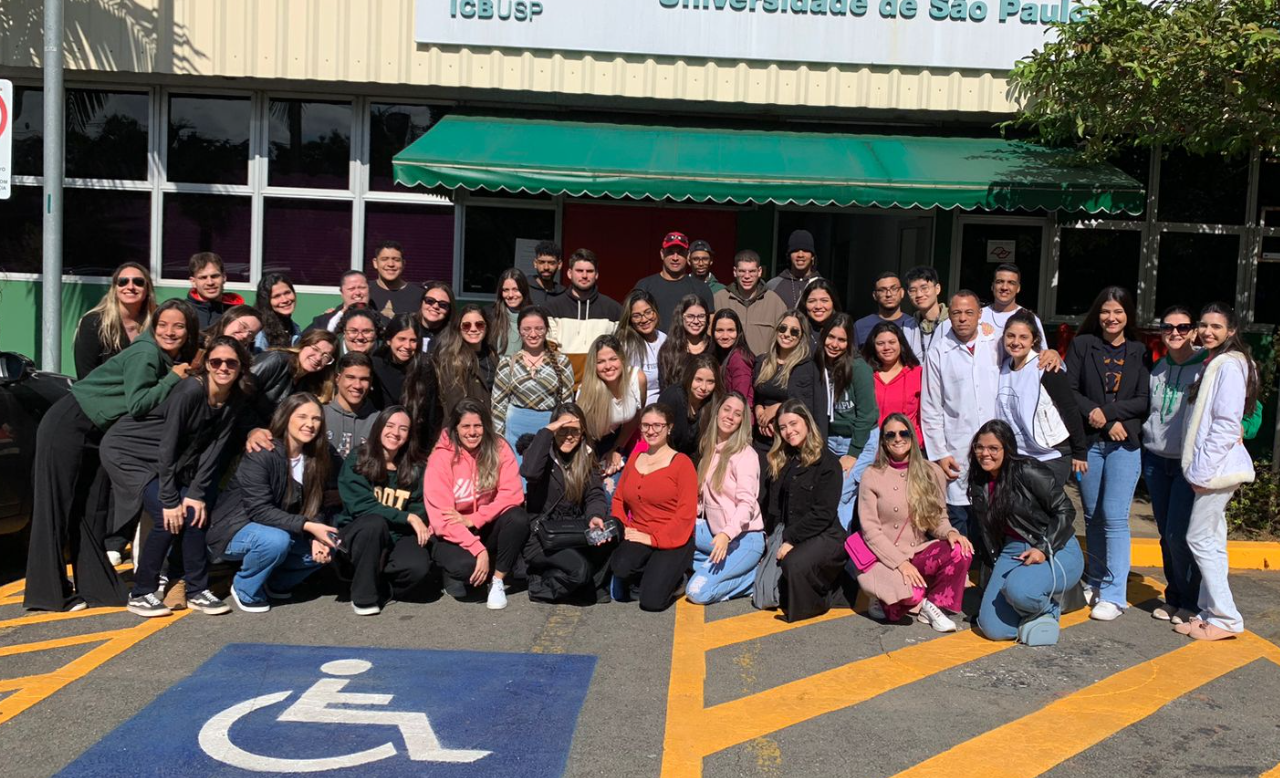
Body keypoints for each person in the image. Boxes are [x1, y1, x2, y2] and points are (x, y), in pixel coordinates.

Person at [23, 299, 198, 612]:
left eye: (178, 326)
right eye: (162, 324)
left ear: (189, 332)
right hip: (69, 423)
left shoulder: (167, 357)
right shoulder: (147, 353)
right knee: (56, 506)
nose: (169, 332)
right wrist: (173, 377)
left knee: (92, 511)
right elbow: (138, 405)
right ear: (153, 326)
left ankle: (97, 589)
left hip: (97, 432)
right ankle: (48, 594)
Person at [102, 336, 253, 618]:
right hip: (130, 452)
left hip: (164, 458)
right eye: (216, 362)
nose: (223, 368)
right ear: (207, 365)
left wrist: (196, 494)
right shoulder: (190, 391)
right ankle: (142, 593)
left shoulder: (235, 398)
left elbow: (214, 448)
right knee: (167, 516)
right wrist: (171, 499)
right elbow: (168, 445)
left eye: (231, 363)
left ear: (241, 367)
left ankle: (197, 590)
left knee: (194, 513)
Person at [206, 393, 339, 612]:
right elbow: (259, 510)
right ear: (286, 417)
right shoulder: (263, 452)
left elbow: (315, 503)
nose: (310, 424)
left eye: (316, 419)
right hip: (235, 529)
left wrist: (317, 534)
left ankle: (275, 582)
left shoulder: (316, 458)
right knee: (275, 541)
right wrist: (308, 526)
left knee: (329, 544)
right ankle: (245, 588)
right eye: (302, 416)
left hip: (279, 528)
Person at [1065, 286, 1149, 622]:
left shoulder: (1139, 351)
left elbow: (1143, 400)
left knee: (1114, 516)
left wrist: (1110, 416)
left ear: (1128, 315)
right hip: (1088, 444)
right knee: (1092, 516)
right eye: (1105, 311)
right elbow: (1069, 390)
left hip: (1124, 444)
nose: (1111, 318)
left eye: (1118, 312)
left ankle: (1115, 594)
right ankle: (1096, 580)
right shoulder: (1083, 345)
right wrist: (1095, 414)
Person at [1176, 303, 1260, 641]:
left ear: (1232, 331)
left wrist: (1202, 472)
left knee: (1198, 538)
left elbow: (1227, 423)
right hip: (1213, 467)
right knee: (1213, 539)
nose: (1208, 331)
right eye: (1204, 325)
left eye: (1217, 327)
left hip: (1216, 469)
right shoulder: (1215, 361)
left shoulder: (1229, 365)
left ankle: (1226, 618)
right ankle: (1209, 612)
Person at [969, 420, 1083, 646]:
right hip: (1013, 550)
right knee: (994, 629)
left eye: (993, 448)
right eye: (979, 447)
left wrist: (1042, 548)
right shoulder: (979, 480)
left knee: (1019, 591)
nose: (985, 453)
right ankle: (1031, 610)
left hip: (1055, 546)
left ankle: (1048, 608)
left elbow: (1066, 510)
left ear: (1007, 449)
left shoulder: (1027, 469)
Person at [855, 414, 972, 631]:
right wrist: (900, 563)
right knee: (910, 597)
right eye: (890, 435)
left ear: (912, 436)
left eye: (903, 433)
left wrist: (950, 533)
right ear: (883, 442)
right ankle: (884, 594)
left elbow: (938, 519)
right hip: (884, 558)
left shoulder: (931, 472)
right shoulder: (872, 475)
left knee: (960, 549)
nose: (898, 439)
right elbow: (870, 531)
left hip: (917, 552)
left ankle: (933, 605)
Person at [424, 399, 530, 610]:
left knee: (518, 517)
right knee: (467, 568)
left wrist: (475, 518)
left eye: (478, 426)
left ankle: (497, 581)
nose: (472, 432)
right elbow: (442, 519)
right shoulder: (441, 458)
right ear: (455, 428)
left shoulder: (499, 447)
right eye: (465, 426)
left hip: (483, 523)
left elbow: (512, 495)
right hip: (451, 532)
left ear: (486, 426)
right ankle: (454, 572)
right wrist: (478, 550)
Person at [1141, 306, 1209, 624]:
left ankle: (1191, 602)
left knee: (1178, 534)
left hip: (1187, 463)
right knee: (1165, 534)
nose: (1175, 333)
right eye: (1168, 327)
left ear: (1194, 331)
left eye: (1183, 327)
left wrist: (1240, 428)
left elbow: (1246, 407)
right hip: (1156, 460)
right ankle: (1174, 597)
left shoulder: (1206, 367)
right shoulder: (1157, 368)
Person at [334, 406, 434, 616]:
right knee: (374, 523)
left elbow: (419, 509)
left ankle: (381, 585)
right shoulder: (358, 458)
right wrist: (407, 517)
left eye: (403, 429)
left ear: (409, 435)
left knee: (417, 568)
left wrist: (407, 523)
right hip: (359, 534)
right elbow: (361, 506)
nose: (395, 433)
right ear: (378, 428)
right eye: (389, 426)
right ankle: (363, 597)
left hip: (396, 534)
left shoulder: (416, 468)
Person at [754, 399, 847, 622]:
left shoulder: (828, 463)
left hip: (824, 534)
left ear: (807, 422)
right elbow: (774, 506)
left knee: (793, 564)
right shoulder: (783, 458)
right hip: (791, 531)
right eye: (783, 427)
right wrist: (771, 541)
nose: (789, 431)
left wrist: (791, 540)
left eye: (793, 423)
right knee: (764, 593)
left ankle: (820, 601)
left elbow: (823, 514)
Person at [921, 291, 999, 539]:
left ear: (980, 315)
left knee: (993, 515)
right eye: (956, 313)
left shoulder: (996, 344)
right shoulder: (938, 352)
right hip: (956, 448)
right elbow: (931, 407)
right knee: (959, 516)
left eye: (968, 312)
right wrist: (940, 453)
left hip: (995, 448)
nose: (962, 318)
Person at [521, 404, 616, 604]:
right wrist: (548, 431)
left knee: (615, 530)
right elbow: (529, 472)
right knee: (579, 571)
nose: (569, 436)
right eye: (563, 429)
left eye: (575, 431)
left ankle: (590, 585)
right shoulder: (540, 453)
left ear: (582, 434)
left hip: (573, 531)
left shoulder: (586, 456)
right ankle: (540, 585)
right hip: (543, 537)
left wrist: (595, 516)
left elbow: (595, 494)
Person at [609, 404, 698, 612]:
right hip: (639, 532)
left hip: (673, 538)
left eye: (658, 425)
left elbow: (686, 515)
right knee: (620, 566)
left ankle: (678, 579)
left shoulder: (682, 463)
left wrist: (653, 539)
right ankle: (651, 574)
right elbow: (619, 499)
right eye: (646, 425)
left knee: (651, 602)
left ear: (669, 428)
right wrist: (624, 527)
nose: (651, 431)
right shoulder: (636, 457)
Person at [995, 309, 1088, 489]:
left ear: (1034, 340)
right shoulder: (1003, 368)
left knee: (1041, 504)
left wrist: (1080, 452)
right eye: (1010, 336)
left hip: (1052, 454)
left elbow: (1070, 409)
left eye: (1023, 337)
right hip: (1019, 455)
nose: (1016, 342)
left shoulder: (1046, 368)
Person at [687, 393, 765, 604]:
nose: (730, 416)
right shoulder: (710, 448)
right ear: (717, 412)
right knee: (676, 538)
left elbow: (747, 504)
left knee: (696, 592)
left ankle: (755, 576)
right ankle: (724, 568)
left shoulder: (745, 455)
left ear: (742, 422)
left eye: (737, 414)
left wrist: (726, 534)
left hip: (744, 538)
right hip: (715, 534)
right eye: (727, 409)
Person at [404, 304, 496, 450]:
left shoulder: (492, 355)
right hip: (465, 434)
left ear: (486, 326)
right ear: (459, 329)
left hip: (489, 431)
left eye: (479, 324)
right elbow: (455, 405)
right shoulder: (452, 360)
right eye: (466, 325)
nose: (473, 329)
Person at [819, 313, 879, 530]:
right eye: (831, 337)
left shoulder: (859, 368)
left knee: (840, 492)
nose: (835, 344)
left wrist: (853, 454)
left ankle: (835, 542)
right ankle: (839, 542)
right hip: (830, 439)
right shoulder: (819, 364)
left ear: (849, 342)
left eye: (841, 340)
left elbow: (867, 415)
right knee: (833, 494)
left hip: (859, 439)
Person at [491, 306, 575, 458]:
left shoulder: (562, 362)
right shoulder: (507, 363)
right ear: (519, 330)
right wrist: (498, 438)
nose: (533, 334)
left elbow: (567, 404)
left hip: (549, 430)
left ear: (547, 330)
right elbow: (498, 405)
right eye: (527, 329)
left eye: (539, 328)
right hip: (514, 432)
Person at [752, 311, 827, 453]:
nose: (786, 334)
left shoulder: (807, 368)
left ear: (801, 337)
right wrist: (759, 410)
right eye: (783, 328)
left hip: (791, 445)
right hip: (762, 441)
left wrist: (778, 408)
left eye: (794, 331)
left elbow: (811, 407)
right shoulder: (762, 362)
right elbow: (757, 396)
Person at [576, 334, 646, 482]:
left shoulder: (636, 379)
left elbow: (636, 417)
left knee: (618, 487)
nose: (608, 366)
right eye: (601, 362)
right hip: (587, 444)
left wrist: (617, 448)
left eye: (613, 359)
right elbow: (580, 432)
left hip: (618, 438)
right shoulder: (587, 391)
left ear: (622, 359)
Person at [244, 329, 338, 436]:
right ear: (303, 345)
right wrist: (253, 430)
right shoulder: (277, 360)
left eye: (326, 356)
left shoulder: (309, 382)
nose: (318, 358)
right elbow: (238, 394)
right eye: (315, 349)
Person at [73, 261, 157, 379]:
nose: (130, 287)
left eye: (138, 282)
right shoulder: (94, 323)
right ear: (115, 289)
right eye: (123, 282)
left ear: (147, 289)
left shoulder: (157, 321)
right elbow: (85, 375)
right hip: (102, 389)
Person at [634, 231, 715, 331]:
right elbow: (632, 320)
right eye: (670, 252)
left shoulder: (701, 288)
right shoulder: (644, 286)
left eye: (680, 253)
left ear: (688, 255)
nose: (675, 258)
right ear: (662, 254)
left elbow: (710, 326)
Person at [714, 249, 789, 357]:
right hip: (727, 365)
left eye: (752, 271)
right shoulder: (719, 299)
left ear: (759, 271)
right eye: (742, 271)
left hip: (764, 366)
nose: (747, 276)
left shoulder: (775, 302)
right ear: (735, 272)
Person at [863, 321, 924, 444]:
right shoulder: (865, 374)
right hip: (872, 447)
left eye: (892, 342)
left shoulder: (918, 374)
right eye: (880, 343)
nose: (886, 347)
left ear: (900, 344)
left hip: (908, 446)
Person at [657, 352, 722, 460]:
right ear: (689, 376)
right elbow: (657, 435)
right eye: (698, 380)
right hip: (665, 457)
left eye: (710, 382)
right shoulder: (672, 397)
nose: (703, 387)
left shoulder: (715, 401)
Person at [616, 290, 667, 405]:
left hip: (665, 405)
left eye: (648, 312)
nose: (644, 320)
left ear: (655, 311)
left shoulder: (665, 339)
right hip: (638, 408)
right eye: (636, 316)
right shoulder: (626, 345)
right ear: (629, 319)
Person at [544, 248, 623, 322]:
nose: (584, 276)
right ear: (569, 273)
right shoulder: (552, 309)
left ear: (596, 274)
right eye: (579, 271)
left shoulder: (614, 310)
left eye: (589, 271)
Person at [323, 352, 377, 461]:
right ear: (337, 378)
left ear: (371, 381)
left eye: (364, 379)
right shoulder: (319, 415)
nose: (357, 385)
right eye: (350, 377)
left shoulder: (378, 421)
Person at [854, 271, 920, 352]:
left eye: (894, 289)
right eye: (882, 290)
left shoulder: (913, 326)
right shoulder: (860, 326)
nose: (888, 294)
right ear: (875, 295)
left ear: (902, 292)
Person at [982, 263, 1047, 343]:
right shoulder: (978, 315)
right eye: (1000, 282)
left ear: (1018, 288)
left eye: (1011, 283)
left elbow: (1041, 350)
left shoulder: (1030, 318)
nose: (1004, 287)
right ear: (992, 286)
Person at [657, 295, 711, 389]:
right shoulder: (669, 350)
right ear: (681, 317)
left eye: (701, 316)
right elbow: (665, 387)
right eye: (690, 316)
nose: (696, 321)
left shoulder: (714, 346)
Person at [369, 314, 420, 410]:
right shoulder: (375, 366)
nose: (407, 346)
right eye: (402, 339)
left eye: (413, 340)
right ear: (389, 340)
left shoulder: (424, 370)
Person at [305, 270, 381, 334]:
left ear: (369, 289)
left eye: (362, 287)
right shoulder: (323, 322)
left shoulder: (381, 318)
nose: (357, 292)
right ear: (342, 292)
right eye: (351, 289)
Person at [710, 309, 755, 412]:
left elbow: (739, 398)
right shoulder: (718, 354)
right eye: (720, 330)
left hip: (736, 416)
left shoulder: (739, 358)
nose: (725, 336)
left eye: (730, 330)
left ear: (738, 332)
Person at [767, 229, 823, 310]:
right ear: (789, 256)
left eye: (805, 250)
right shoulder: (773, 285)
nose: (800, 255)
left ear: (812, 256)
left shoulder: (823, 284)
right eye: (795, 251)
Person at [186, 252, 244, 328]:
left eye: (215, 276)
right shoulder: (183, 312)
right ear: (193, 281)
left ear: (224, 277)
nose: (210, 282)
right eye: (203, 277)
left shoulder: (238, 313)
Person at [368, 240, 424, 318]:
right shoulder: (364, 291)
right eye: (384, 259)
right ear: (375, 263)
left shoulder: (419, 296)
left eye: (396, 260)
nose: (391, 264)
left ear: (403, 263)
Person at [905, 265, 948, 360]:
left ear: (937, 289)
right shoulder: (906, 328)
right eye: (913, 290)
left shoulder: (953, 323)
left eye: (924, 288)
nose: (919, 294)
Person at [489, 267, 533, 358]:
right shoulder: (491, 316)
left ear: (524, 290)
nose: (510, 295)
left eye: (515, 289)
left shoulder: (535, 318)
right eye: (506, 290)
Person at [253, 272, 301, 352]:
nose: (285, 300)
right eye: (277, 296)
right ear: (266, 301)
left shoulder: (294, 328)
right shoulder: (259, 330)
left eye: (287, 293)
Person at [799, 279, 841, 350]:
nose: (818, 306)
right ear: (804, 304)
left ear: (833, 302)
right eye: (812, 301)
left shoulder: (843, 330)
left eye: (824, 300)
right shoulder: (797, 330)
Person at [415, 281, 455, 352]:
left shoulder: (455, 338)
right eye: (430, 301)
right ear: (422, 302)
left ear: (449, 309)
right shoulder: (406, 326)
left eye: (443, 304)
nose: (435, 306)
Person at [528, 240, 567, 306]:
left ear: (559, 265)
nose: (546, 267)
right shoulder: (523, 289)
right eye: (541, 262)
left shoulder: (564, 295)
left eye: (551, 263)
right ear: (535, 263)